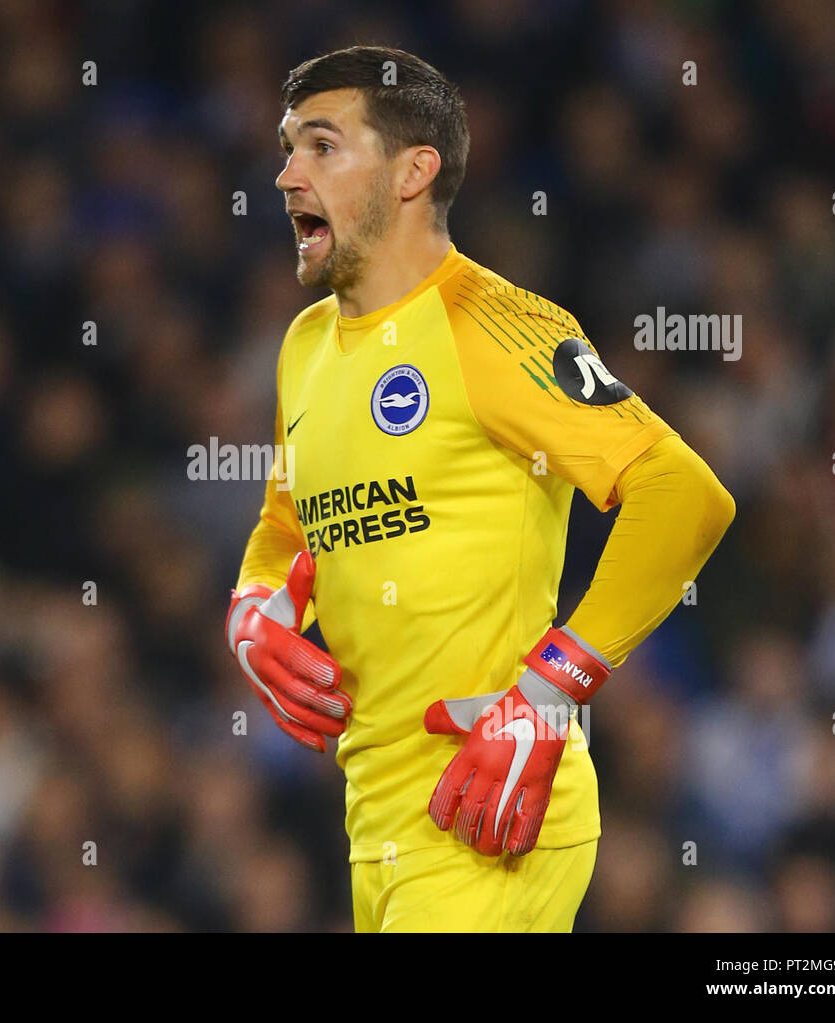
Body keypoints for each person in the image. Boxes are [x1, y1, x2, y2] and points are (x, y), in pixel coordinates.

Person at [225, 46, 736, 932]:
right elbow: (285, 523)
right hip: (376, 826)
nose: (284, 176)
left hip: (491, 813)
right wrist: (251, 602)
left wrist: (553, 686)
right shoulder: (305, 345)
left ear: (414, 170)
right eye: (286, 148)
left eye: (320, 146)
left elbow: (683, 492)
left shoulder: (494, 323)